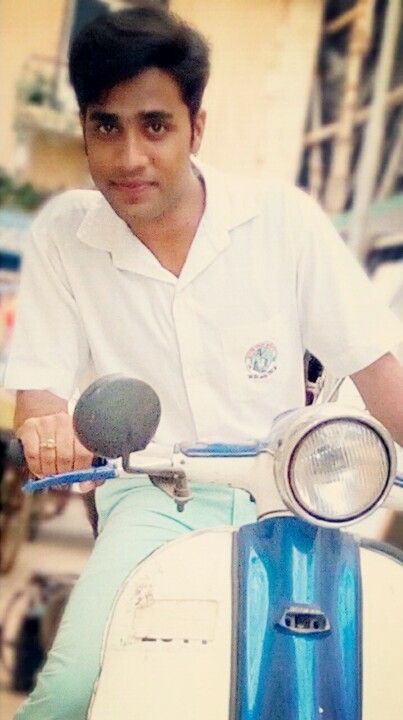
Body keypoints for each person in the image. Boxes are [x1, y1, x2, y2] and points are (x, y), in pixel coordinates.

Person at [4, 3, 403, 718]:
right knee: (71, 691)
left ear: (196, 127)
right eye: (106, 126)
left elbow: (380, 375)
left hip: (290, 499)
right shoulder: (66, 234)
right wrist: (48, 432)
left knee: (341, 683)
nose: (130, 157)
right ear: (84, 129)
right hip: (151, 499)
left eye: (155, 125)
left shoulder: (280, 222)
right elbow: (40, 392)